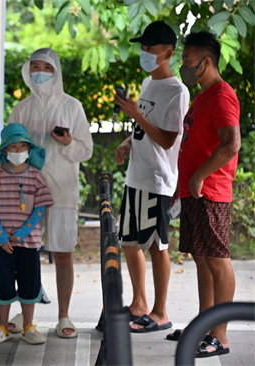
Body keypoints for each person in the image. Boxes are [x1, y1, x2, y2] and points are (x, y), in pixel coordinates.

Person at [0, 48, 93, 338]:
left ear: (56, 71)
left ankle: (63, 315)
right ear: (27, 70)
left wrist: (69, 142)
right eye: (35, 66)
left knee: (62, 253)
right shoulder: (21, 109)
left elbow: (86, 150)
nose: (40, 72)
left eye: (47, 67)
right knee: (23, 253)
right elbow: (7, 145)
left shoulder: (72, 107)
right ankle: (26, 313)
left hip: (61, 192)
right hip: (21, 196)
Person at [113, 21, 190, 333]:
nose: (144, 53)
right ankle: (139, 303)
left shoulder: (177, 91)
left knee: (158, 246)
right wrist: (126, 143)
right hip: (136, 177)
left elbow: (170, 139)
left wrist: (136, 114)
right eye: (142, 47)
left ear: (168, 53)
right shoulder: (147, 84)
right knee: (129, 243)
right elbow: (144, 131)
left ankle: (160, 312)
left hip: (158, 181)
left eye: (150, 49)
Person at [171, 30, 241, 358]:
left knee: (217, 261)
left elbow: (231, 144)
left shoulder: (222, 95)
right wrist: (181, 184)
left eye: (188, 62)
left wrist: (200, 175)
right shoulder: (202, 95)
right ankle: (203, 325)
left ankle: (220, 335)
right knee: (202, 259)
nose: (184, 67)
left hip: (210, 192)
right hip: (193, 192)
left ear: (206, 62)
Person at [0, 123, 54, 345]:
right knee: (3, 286)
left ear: (29, 149)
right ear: (4, 151)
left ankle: (29, 326)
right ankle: (2, 327)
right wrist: (2, 236)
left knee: (29, 285)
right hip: (1, 245)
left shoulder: (36, 176)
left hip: (29, 244)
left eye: (23, 145)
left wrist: (22, 233)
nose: (18, 150)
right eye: (13, 146)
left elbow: (40, 208)